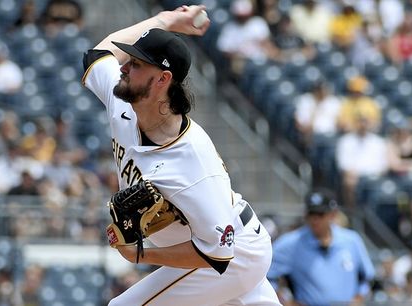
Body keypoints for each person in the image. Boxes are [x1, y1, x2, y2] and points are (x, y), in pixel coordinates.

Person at [82, 4, 280, 305]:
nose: (123, 67)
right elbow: (96, 56)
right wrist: (166, 21)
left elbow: (218, 252)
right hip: (224, 249)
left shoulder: (192, 161)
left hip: (233, 254)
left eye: (135, 64)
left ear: (162, 80)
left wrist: (141, 254)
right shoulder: (124, 102)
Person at [267, 189, 375, 305]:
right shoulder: (291, 243)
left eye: (320, 214)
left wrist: (359, 297)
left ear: (332, 214)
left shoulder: (351, 240)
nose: (315, 220)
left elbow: (367, 278)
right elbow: (265, 274)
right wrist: (284, 300)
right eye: (311, 214)